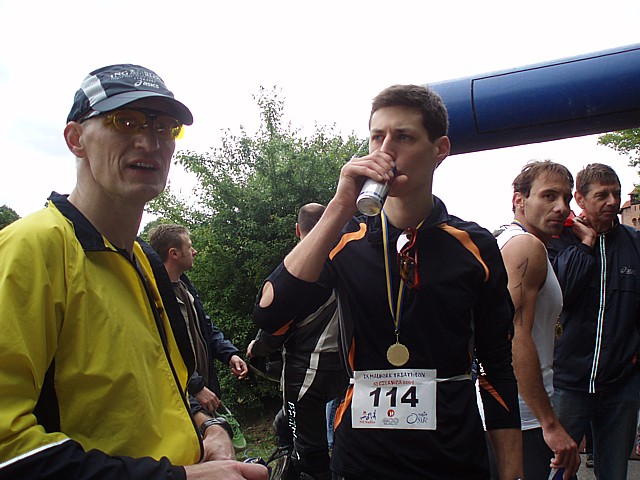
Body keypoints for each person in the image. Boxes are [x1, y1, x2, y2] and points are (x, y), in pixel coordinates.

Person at [0, 64, 267, 480]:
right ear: (75, 139)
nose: (150, 141)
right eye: (125, 122)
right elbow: (8, 451)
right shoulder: (31, 249)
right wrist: (181, 478)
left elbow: (163, 387)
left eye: (165, 127)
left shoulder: (144, 260)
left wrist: (206, 425)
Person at [253, 84, 523, 479]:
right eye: (377, 137)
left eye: (404, 137)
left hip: (452, 457)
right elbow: (270, 314)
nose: (386, 150)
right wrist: (340, 206)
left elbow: (497, 367)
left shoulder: (474, 245)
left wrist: (513, 474)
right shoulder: (345, 239)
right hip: (362, 460)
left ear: (440, 149)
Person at [548, 163, 640, 480]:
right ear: (580, 199)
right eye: (602, 195)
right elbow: (563, 293)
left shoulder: (634, 244)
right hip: (568, 383)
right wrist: (586, 243)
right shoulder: (560, 241)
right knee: (557, 471)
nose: (612, 202)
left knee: (614, 473)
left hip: (621, 385)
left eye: (616, 194)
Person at [492, 161, 580, 479]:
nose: (561, 207)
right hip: (522, 417)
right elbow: (515, 335)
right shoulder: (526, 247)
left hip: (513, 411)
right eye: (549, 196)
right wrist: (549, 424)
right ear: (519, 200)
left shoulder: (509, 241)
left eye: (566, 198)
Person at [249, 203, 347, 480]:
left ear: (297, 230)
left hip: (307, 370)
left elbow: (274, 327)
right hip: (345, 364)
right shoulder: (345, 258)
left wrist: (257, 349)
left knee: (309, 452)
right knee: (286, 425)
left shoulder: (301, 272)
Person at [149, 223, 248, 415]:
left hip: (204, 390)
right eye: (189, 246)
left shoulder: (186, 287)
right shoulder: (155, 296)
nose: (194, 251)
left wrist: (230, 354)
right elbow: (161, 352)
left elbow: (207, 329)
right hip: (182, 399)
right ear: (174, 253)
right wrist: (195, 387)